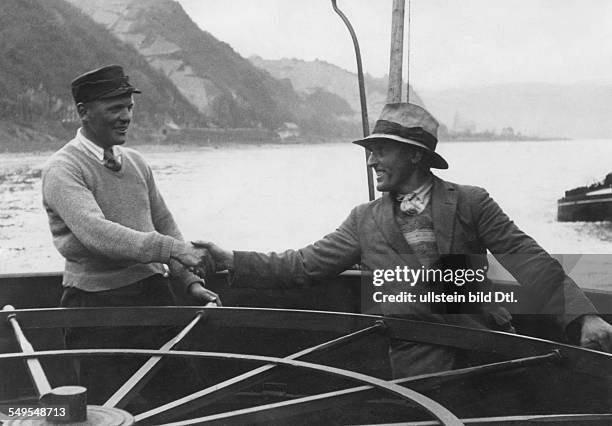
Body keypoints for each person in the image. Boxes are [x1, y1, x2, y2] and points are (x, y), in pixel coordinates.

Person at [194, 102, 612, 377]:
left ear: (415, 155)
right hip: (418, 363)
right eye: (371, 151)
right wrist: (230, 257)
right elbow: (302, 265)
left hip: (489, 352)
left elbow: (527, 259)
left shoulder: (470, 202)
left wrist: (583, 316)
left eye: (381, 150)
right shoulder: (364, 220)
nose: (372, 160)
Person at [41, 65, 218, 405]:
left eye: (129, 107)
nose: (126, 117)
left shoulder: (137, 162)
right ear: (83, 112)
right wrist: (172, 250)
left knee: (181, 403)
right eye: (114, 108)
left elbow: (164, 222)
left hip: (154, 296)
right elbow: (97, 234)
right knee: (109, 410)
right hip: (96, 308)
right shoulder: (62, 169)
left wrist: (189, 283)